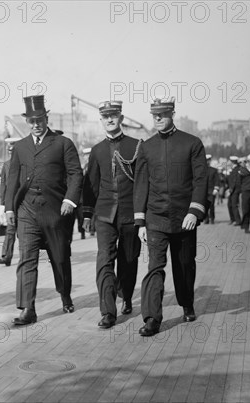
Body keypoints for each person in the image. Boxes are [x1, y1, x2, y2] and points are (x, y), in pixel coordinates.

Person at [5, 95, 83, 325]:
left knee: (59, 258)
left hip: (56, 212)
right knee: (27, 259)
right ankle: (28, 308)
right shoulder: (20, 147)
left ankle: (65, 294)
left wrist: (69, 200)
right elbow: (12, 181)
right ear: (26, 122)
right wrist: (10, 208)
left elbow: (76, 174)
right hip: (27, 211)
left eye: (39, 119)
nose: (36, 124)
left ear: (46, 118)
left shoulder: (63, 144)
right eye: (31, 120)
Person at [134, 97, 208, 337]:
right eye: (154, 115)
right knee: (155, 266)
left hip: (184, 217)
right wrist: (140, 221)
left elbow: (200, 180)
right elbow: (141, 184)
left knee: (184, 264)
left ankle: (187, 303)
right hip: (156, 218)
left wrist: (194, 211)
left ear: (172, 114)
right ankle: (152, 318)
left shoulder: (192, 143)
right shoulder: (146, 147)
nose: (157, 119)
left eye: (162, 115)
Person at [82, 100, 142, 329]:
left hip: (130, 213)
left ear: (121, 118)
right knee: (104, 261)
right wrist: (88, 215)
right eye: (105, 116)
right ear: (101, 120)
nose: (109, 120)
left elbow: (142, 183)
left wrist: (142, 215)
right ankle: (108, 311)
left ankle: (126, 295)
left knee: (128, 259)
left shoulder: (137, 146)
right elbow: (91, 186)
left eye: (113, 116)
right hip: (105, 214)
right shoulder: (96, 151)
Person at [0, 137, 19, 266]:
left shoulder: (24, 163)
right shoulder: (6, 164)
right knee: (10, 230)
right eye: (9, 151)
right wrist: (3, 202)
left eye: (13, 150)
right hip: (11, 203)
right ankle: (6, 256)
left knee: (23, 232)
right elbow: (3, 183)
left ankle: (27, 255)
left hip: (24, 203)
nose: (11, 153)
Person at [227, 156, 242, 225]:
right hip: (231, 189)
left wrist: (231, 189)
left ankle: (238, 220)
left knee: (234, 205)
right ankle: (232, 219)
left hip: (235, 190)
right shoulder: (232, 169)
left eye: (229, 161)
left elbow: (235, 181)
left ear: (232, 162)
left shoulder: (237, 169)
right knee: (229, 204)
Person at [204, 155, 219, 224]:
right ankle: (206, 219)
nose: (207, 161)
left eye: (208, 160)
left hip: (211, 190)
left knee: (211, 205)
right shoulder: (201, 170)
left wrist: (216, 188)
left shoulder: (214, 170)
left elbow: (216, 180)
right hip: (203, 191)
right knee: (204, 206)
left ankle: (212, 218)